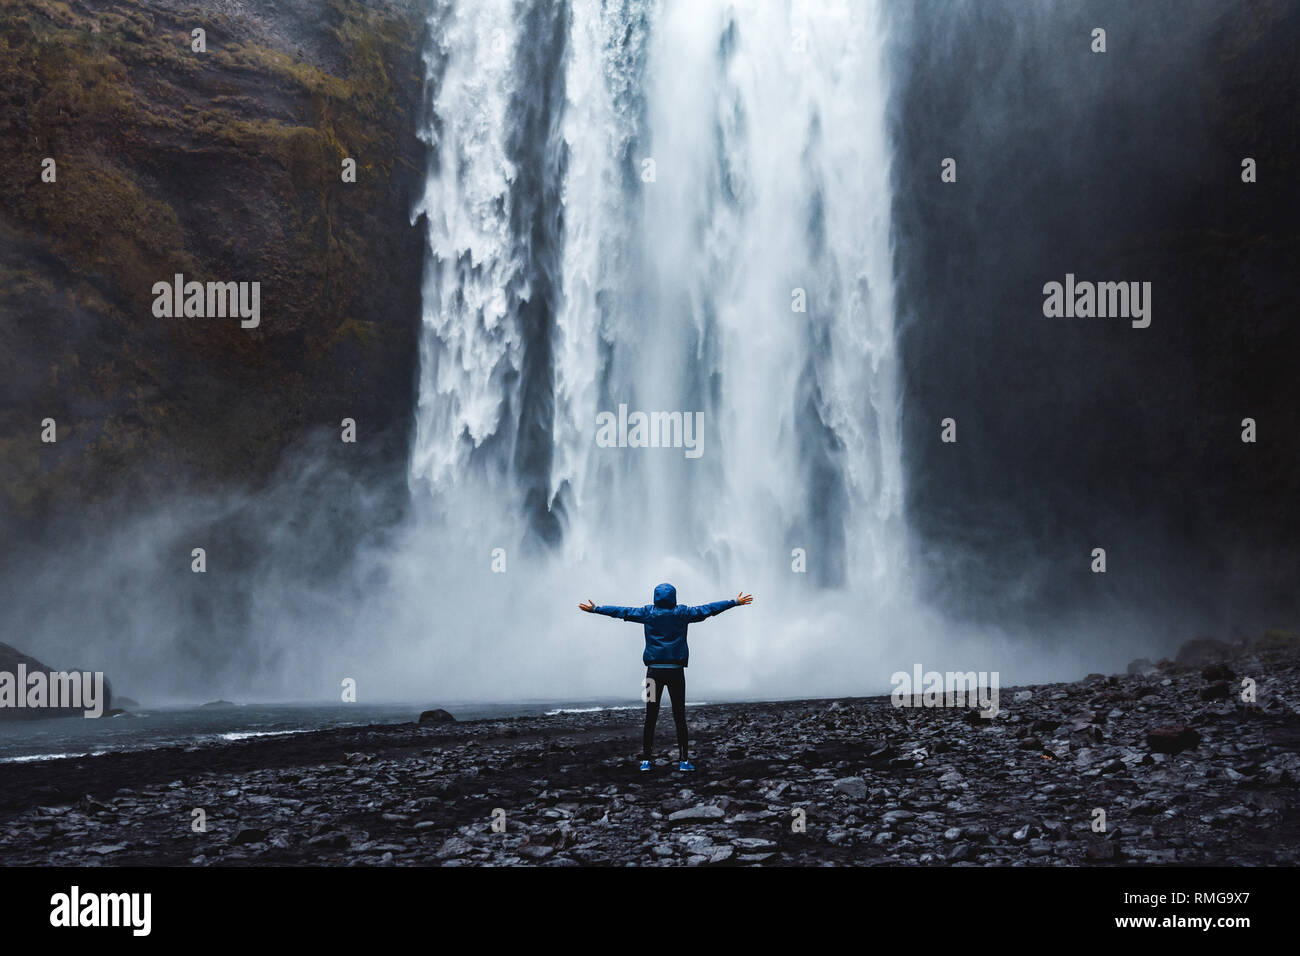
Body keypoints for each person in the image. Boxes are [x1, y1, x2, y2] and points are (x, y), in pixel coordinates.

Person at [579, 583, 753, 772]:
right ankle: (684, 761)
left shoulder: (647, 613)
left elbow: (623, 612)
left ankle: (646, 761)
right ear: (674, 597)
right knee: (679, 716)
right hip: (675, 673)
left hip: (652, 674)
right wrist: (734, 602)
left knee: (650, 716)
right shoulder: (682, 613)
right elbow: (708, 609)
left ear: (655, 597)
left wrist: (596, 609)